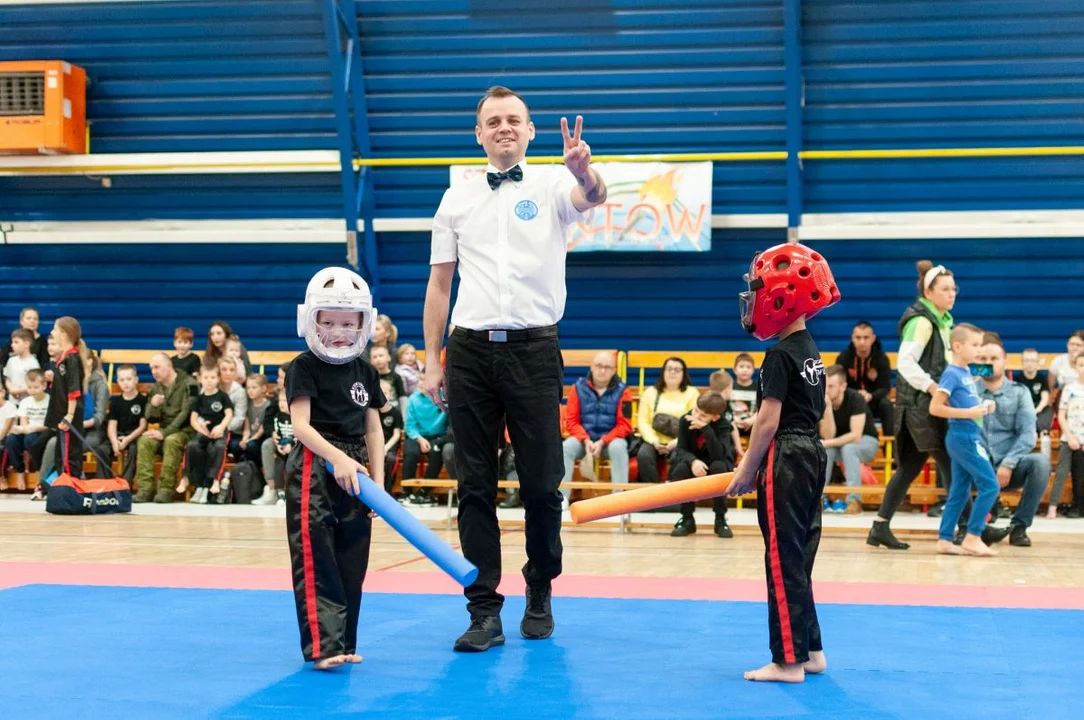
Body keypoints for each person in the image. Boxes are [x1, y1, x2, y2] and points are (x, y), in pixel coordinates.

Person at [423, 85, 608, 652]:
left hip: (533, 351)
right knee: (474, 484)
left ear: (529, 132)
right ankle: (483, 609)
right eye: (494, 121)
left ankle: (539, 589)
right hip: (471, 352)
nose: (504, 128)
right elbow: (438, 285)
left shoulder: (555, 183)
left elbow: (594, 197)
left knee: (542, 484)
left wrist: (585, 171)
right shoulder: (455, 199)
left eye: (514, 120)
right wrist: (432, 361)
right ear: (478, 134)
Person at [725, 242, 840, 683]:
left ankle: (786, 660)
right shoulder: (811, 350)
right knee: (799, 556)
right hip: (812, 452)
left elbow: (767, 420)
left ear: (781, 295)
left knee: (781, 559)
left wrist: (747, 469)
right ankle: (810, 650)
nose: (753, 301)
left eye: (757, 291)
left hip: (787, 455)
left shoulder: (778, 355)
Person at [287, 266, 387, 670]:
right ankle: (323, 647)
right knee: (318, 558)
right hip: (315, 464)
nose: (339, 330)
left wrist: (378, 483)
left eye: (348, 322)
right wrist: (337, 458)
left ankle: (344, 643)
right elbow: (299, 426)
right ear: (311, 321)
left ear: (364, 323)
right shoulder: (304, 366)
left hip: (356, 472)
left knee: (351, 559)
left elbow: (374, 428)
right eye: (328, 322)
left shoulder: (365, 371)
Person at [868, 261, 957, 550]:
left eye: (954, 288)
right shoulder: (921, 321)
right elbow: (905, 362)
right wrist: (933, 387)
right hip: (922, 407)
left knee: (908, 468)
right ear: (928, 293)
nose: (951, 293)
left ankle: (879, 526)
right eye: (945, 289)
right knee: (950, 464)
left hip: (924, 405)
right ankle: (970, 528)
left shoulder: (944, 320)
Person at [929, 325, 1001, 557]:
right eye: (976, 345)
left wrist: (983, 406)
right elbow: (936, 407)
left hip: (967, 435)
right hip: (963, 437)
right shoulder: (952, 373)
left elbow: (968, 401)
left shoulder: (965, 372)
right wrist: (971, 413)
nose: (979, 350)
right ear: (958, 347)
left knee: (960, 490)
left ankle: (945, 539)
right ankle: (973, 536)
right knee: (990, 485)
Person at [975, 335, 1047, 545]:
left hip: (1010, 468)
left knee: (1040, 463)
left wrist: (1008, 463)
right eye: (983, 358)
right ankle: (969, 526)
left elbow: (1027, 434)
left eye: (994, 358)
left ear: (1005, 361)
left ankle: (1019, 527)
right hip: (977, 466)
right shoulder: (969, 391)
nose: (988, 362)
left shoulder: (1020, 393)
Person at [561, 351, 632, 508]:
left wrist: (602, 441)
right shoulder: (577, 388)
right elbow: (571, 421)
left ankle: (619, 500)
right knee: (566, 447)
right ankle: (562, 498)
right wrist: (585, 439)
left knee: (620, 447)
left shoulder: (624, 391)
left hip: (609, 442)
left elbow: (625, 425)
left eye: (607, 367)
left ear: (614, 370)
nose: (602, 370)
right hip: (583, 441)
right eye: (599, 366)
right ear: (591, 367)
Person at [670, 390, 741, 538]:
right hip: (694, 460)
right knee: (681, 470)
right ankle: (687, 518)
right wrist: (693, 461)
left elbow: (719, 454)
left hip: (716, 461)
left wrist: (705, 429)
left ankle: (720, 519)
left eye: (702, 416)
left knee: (720, 469)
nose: (696, 416)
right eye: (696, 410)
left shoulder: (724, 425)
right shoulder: (685, 419)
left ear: (715, 417)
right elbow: (681, 448)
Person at [32, 317, 90, 499]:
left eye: (55, 329)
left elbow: (74, 391)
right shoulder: (62, 359)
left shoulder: (71, 359)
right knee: (60, 456)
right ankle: (60, 491)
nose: (51, 333)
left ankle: (71, 494)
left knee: (68, 458)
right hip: (60, 418)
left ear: (64, 334)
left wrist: (69, 415)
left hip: (68, 418)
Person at [134, 353, 197, 503]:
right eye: (151, 369)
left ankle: (166, 489)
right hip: (163, 431)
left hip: (186, 431)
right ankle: (145, 489)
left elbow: (186, 414)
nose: (153, 372)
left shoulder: (190, 384)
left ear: (169, 366)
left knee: (172, 440)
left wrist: (164, 432)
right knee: (145, 440)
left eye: (157, 367)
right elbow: (151, 418)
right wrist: (153, 406)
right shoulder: (156, 388)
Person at [819, 364, 880, 515]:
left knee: (848, 448)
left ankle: (854, 500)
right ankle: (818, 499)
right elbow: (828, 436)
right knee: (826, 449)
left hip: (866, 442)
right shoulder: (822, 401)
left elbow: (855, 435)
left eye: (831, 386)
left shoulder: (855, 398)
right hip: (840, 444)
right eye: (824, 386)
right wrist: (827, 408)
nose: (826, 390)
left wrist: (827, 443)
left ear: (843, 386)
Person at [636, 357, 701, 484]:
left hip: (680, 440)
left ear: (683, 373)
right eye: (669, 369)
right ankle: (652, 492)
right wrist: (654, 441)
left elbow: (694, 421)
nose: (672, 372)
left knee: (680, 456)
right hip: (654, 440)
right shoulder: (650, 392)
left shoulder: (692, 393)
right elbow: (643, 421)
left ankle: (670, 492)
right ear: (663, 372)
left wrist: (677, 441)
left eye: (677, 370)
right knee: (643, 455)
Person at [182, 364, 234, 504]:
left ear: (218, 379)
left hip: (219, 431)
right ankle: (188, 479)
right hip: (204, 430)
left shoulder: (223, 397)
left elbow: (229, 414)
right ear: (200, 379)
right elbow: (193, 419)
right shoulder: (199, 399)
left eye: (212, 377)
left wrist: (221, 427)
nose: (209, 381)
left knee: (218, 447)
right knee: (192, 446)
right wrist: (201, 429)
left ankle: (216, 480)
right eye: (206, 377)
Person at [837, 321, 894, 435]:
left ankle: (891, 448)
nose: (862, 342)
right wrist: (856, 394)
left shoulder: (882, 359)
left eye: (866, 337)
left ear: (873, 338)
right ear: (853, 338)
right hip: (851, 402)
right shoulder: (843, 358)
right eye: (858, 337)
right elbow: (839, 384)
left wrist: (870, 395)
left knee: (886, 405)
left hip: (873, 401)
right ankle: (840, 442)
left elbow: (885, 387)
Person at [1, 369, 49, 491]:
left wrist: (33, 428)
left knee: (30, 440)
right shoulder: (25, 402)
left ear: (44, 385)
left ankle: (39, 472)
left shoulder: (50, 401)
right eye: (29, 387)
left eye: (35, 387)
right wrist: (19, 429)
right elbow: (24, 424)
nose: (32, 390)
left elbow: (50, 425)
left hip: (42, 432)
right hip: (28, 431)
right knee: (11, 440)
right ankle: (19, 471)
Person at [401, 388, 450, 506]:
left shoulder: (445, 398)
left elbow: (449, 423)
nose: (422, 385)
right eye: (420, 381)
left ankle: (424, 492)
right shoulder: (413, 398)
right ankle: (406, 492)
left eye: (425, 381)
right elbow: (409, 425)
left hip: (438, 437)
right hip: (416, 435)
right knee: (411, 452)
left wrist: (440, 440)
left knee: (436, 453)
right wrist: (420, 439)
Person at [1050, 353, 1084, 518]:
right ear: (1075, 367)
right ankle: (1052, 508)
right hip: (1069, 438)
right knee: (1061, 472)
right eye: (1081, 365)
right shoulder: (1069, 389)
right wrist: (1070, 437)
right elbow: (1061, 415)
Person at [106, 364, 147, 482]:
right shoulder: (116, 401)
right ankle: (105, 482)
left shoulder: (142, 400)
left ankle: (126, 482)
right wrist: (114, 441)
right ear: (118, 382)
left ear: (136, 380)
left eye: (129, 379)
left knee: (134, 448)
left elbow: (142, 426)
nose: (126, 383)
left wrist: (128, 439)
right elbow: (112, 425)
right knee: (102, 448)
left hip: (134, 436)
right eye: (122, 380)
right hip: (118, 435)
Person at [0, 307, 49, 373]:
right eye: (28, 318)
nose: (32, 321)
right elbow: (3, 363)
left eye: (35, 319)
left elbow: (44, 367)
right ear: (21, 321)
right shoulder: (13, 340)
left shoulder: (43, 342)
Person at [1017, 348, 1052, 432]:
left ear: (1037, 363)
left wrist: (1035, 411)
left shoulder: (1042, 378)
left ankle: (1041, 434)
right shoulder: (1017, 379)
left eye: (1033, 361)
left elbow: (1045, 399)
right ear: (1022, 362)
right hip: (1023, 408)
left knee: (1048, 411)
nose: (1029, 363)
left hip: (1039, 408)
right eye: (1026, 360)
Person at [4, 328, 40, 402]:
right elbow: (8, 379)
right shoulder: (11, 360)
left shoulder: (33, 363)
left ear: (26, 344)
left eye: (16, 342)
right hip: (12, 402)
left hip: (28, 402)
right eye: (12, 342)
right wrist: (11, 389)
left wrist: (17, 391)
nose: (12, 345)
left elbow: (35, 384)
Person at [730, 353, 758, 434]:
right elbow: (724, 407)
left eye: (748, 367)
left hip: (752, 424)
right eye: (741, 366)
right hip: (733, 424)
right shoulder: (729, 387)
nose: (745, 370)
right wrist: (732, 419)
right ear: (734, 369)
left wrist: (752, 420)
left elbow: (762, 409)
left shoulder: (758, 388)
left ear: (753, 370)